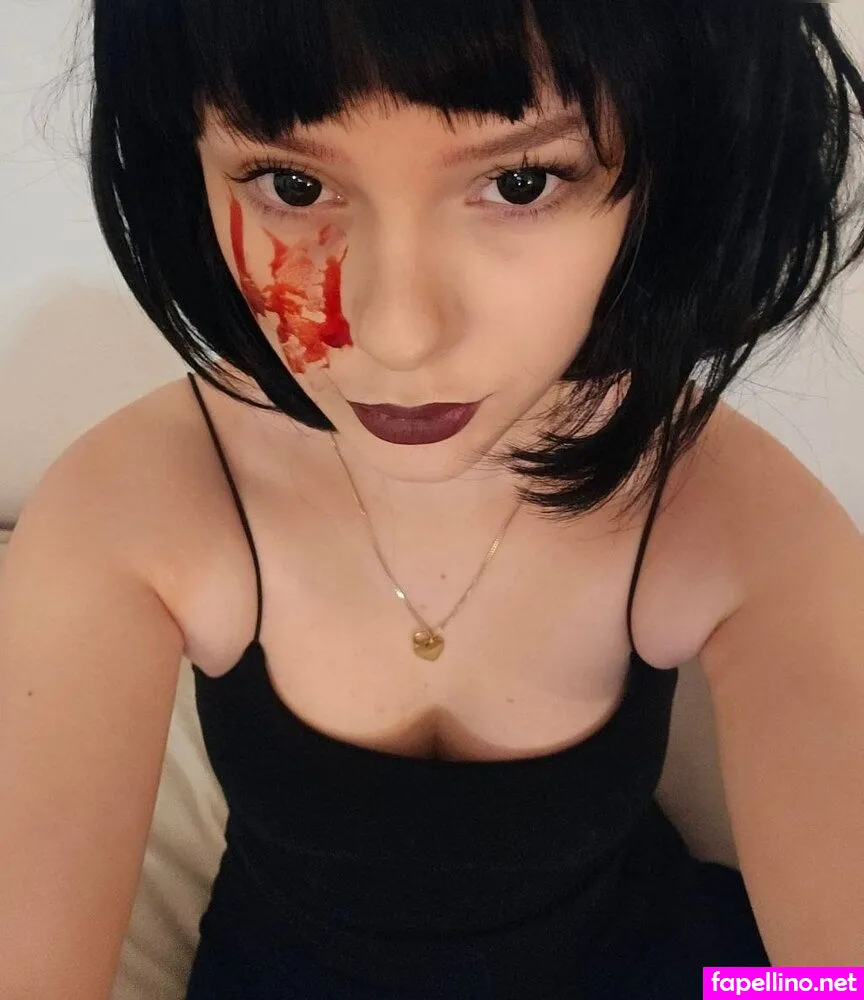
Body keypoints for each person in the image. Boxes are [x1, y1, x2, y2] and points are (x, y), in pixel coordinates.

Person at [2, 1, 863, 998]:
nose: (399, 333)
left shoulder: (728, 509)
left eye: (521, 180)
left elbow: (832, 980)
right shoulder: (139, 504)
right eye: (293, 183)